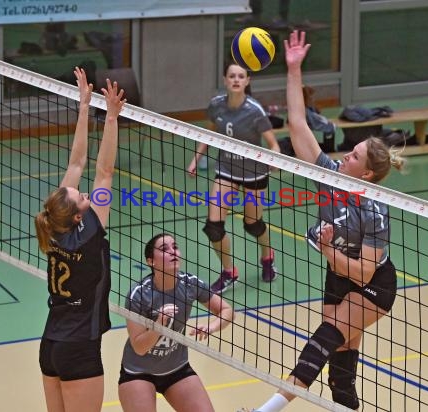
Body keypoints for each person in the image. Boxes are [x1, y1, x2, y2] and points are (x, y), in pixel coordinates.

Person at [245, 31, 406, 412]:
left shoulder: (374, 210)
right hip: (337, 276)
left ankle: (267, 409)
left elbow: (365, 273)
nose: (345, 157)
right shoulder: (330, 177)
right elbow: (298, 124)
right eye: (351, 150)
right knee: (339, 372)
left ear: (366, 175)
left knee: (324, 338)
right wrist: (294, 68)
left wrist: (331, 249)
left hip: (372, 286)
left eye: (354, 156)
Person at [34, 67, 126, 412]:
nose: (85, 193)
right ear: (78, 216)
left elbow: (76, 162)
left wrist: (85, 106)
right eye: (82, 198)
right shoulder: (89, 231)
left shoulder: (54, 225)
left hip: (51, 346)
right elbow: (104, 170)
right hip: (79, 348)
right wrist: (112, 116)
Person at [187, 63, 280, 294]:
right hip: (226, 170)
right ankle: (229, 272)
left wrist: (274, 160)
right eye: (232, 76)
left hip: (254, 173)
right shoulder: (216, 105)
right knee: (213, 228)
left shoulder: (255, 111)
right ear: (225, 80)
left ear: (247, 81)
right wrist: (196, 159)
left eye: (241, 76)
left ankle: (267, 256)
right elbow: (210, 132)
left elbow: (274, 145)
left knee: (253, 225)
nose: (236, 80)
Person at [118, 233, 235, 412]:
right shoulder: (140, 294)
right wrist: (159, 325)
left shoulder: (190, 284)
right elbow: (139, 347)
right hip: (138, 372)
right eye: (164, 249)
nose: (173, 252)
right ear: (151, 262)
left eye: (175, 247)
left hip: (176, 368)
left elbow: (227, 311)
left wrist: (211, 327)